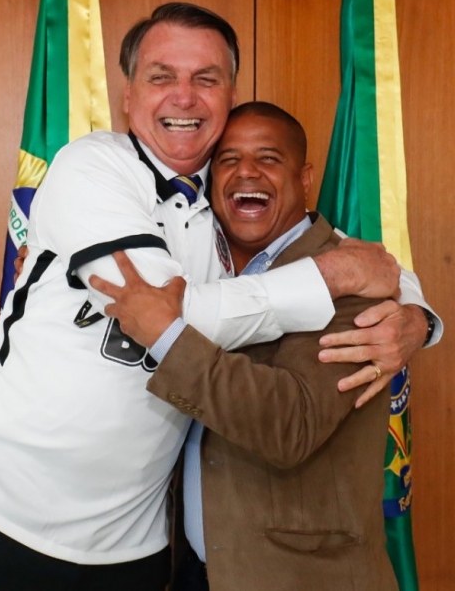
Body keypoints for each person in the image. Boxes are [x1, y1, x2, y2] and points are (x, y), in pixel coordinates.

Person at [0, 3, 437, 591]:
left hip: (137, 543)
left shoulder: (233, 207)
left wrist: (415, 316)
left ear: (228, 97)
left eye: (206, 79)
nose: (184, 96)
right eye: (161, 77)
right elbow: (164, 315)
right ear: (129, 95)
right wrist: (328, 280)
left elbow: (352, 258)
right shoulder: (93, 167)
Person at [92, 101, 401, 591]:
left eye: (268, 158)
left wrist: (168, 336)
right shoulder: (193, 263)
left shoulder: (351, 279)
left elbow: (290, 424)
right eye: (229, 160)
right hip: (191, 568)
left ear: (306, 178)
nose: (246, 172)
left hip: (303, 578)